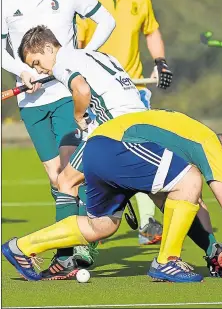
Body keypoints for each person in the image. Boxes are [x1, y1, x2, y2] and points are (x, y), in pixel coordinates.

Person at [2, 108, 222, 282]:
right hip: (118, 146)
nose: (219, 175)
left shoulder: (183, 143)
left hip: (98, 147)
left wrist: (212, 248)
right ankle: (167, 260)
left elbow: (181, 204)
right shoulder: (209, 144)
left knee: (102, 226)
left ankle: (21, 247)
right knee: (191, 177)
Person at [2, 0, 115, 269]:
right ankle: (75, 239)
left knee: (68, 174)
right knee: (56, 180)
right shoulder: (6, 0)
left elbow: (106, 20)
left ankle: (70, 252)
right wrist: (23, 71)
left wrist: (82, 57)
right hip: (32, 103)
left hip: (67, 95)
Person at [16, 24, 147, 279]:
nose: (40, 69)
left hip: (117, 132)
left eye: (37, 62)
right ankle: (211, 249)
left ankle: (64, 256)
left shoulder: (64, 60)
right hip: (142, 124)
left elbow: (83, 90)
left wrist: (78, 115)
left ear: (47, 48)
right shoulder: (96, 54)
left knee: (65, 181)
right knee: (169, 191)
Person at [76, 0, 173, 245]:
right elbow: (78, 45)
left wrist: (160, 62)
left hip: (134, 91)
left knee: (141, 150)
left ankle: (147, 224)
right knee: (94, 155)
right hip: (98, 95)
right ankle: (95, 219)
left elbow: (151, 31)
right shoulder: (87, 0)